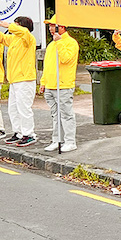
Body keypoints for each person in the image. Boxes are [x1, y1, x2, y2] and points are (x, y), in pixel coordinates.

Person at [0, 18, 38, 146]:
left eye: (17, 24)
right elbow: (2, 38)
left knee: (24, 108)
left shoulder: (28, 38)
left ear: (22, 26)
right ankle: (18, 132)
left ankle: (29, 134)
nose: (13, 27)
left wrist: (10, 25)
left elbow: (24, 33)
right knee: (13, 108)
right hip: (14, 79)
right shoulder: (14, 39)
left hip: (25, 79)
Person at [39, 16, 80, 152]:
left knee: (66, 114)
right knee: (55, 115)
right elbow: (48, 66)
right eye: (49, 26)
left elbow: (66, 59)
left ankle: (70, 141)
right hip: (51, 85)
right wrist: (43, 82)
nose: (51, 29)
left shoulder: (71, 43)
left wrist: (60, 42)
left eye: (53, 26)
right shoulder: (51, 45)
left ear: (62, 27)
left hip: (63, 85)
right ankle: (57, 140)